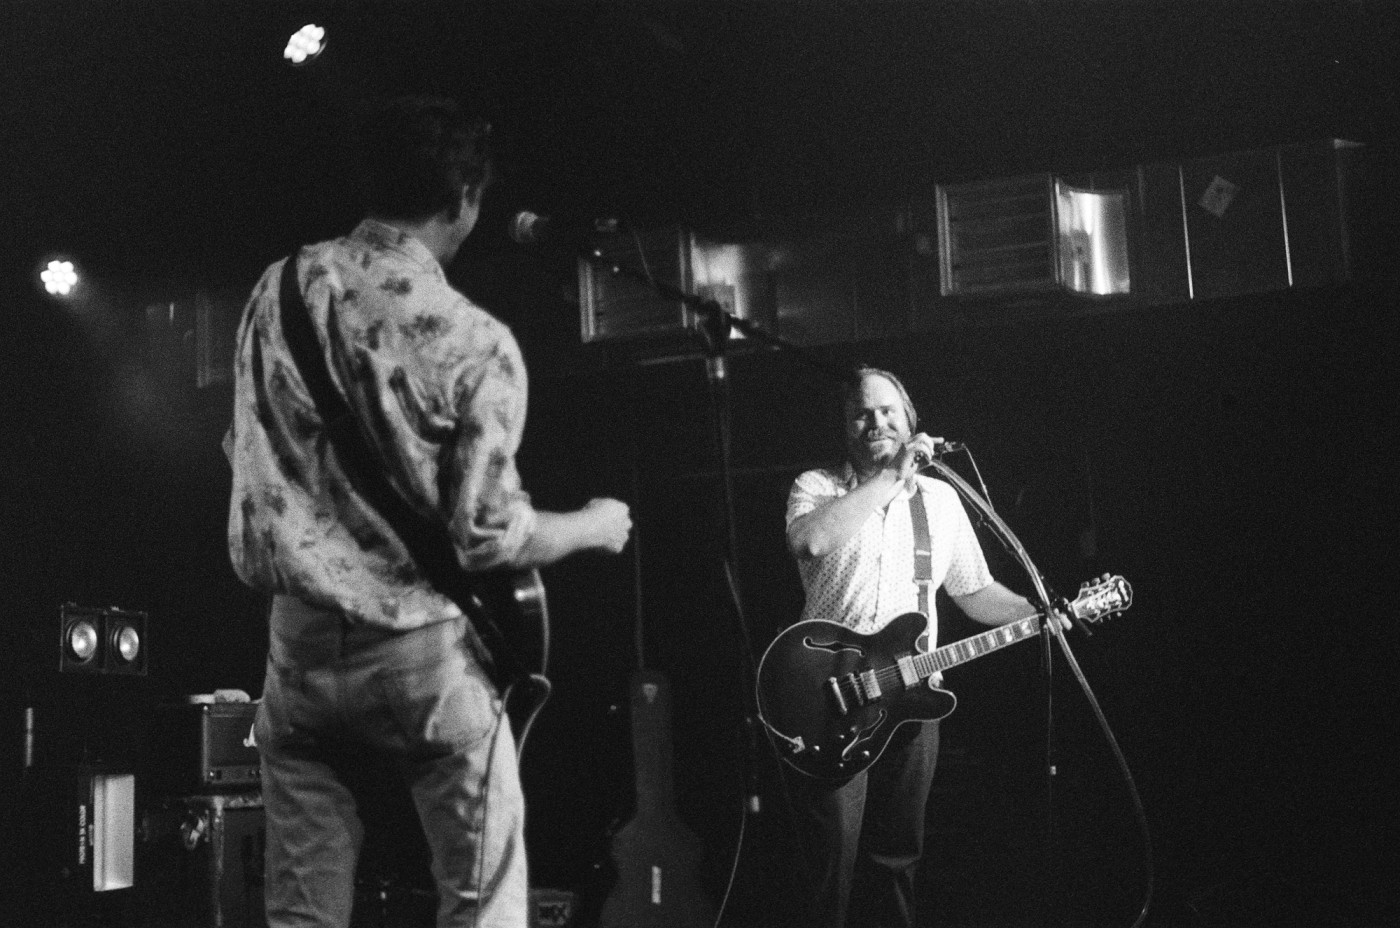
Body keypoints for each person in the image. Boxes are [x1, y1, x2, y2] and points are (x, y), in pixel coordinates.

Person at [224, 95, 632, 928]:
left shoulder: (279, 291)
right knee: (484, 902)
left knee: (301, 919)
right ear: (465, 202)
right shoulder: (474, 341)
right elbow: (488, 537)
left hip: (296, 649)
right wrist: (592, 526)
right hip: (418, 658)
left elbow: (240, 456)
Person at [783, 366, 1035, 928]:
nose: (876, 421)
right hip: (831, 699)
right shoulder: (818, 487)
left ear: (910, 418)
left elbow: (975, 592)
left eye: (888, 411)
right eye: (862, 413)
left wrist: (1040, 610)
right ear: (846, 427)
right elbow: (812, 540)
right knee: (830, 864)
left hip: (913, 696)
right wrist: (891, 478)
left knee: (897, 859)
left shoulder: (942, 501)